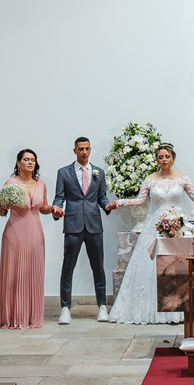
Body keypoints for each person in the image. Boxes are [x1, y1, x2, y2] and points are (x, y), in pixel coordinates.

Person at [106, 144, 194, 324]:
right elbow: (140, 201)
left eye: (166, 156)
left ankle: (179, 309)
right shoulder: (150, 179)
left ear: (172, 158)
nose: (163, 160)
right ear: (157, 160)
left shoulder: (182, 178)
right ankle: (148, 309)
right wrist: (120, 202)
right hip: (154, 227)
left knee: (176, 267)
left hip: (177, 226)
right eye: (160, 157)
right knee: (148, 266)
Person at [0, 149, 63, 330]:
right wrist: (4, 205)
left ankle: (32, 317)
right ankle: (13, 317)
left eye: (33, 160)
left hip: (35, 233)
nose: (30, 162)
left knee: (33, 273)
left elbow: (43, 207)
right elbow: (1, 212)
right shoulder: (10, 183)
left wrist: (54, 209)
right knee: (15, 274)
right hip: (15, 233)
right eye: (26, 159)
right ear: (18, 163)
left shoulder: (41, 183)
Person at [54, 137, 113, 325]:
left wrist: (108, 206)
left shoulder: (99, 172)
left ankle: (102, 306)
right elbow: (59, 197)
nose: (84, 152)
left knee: (99, 268)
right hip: (72, 225)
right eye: (81, 149)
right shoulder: (63, 172)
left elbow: (101, 197)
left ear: (90, 149)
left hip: (94, 225)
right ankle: (65, 308)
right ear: (74, 150)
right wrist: (56, 209)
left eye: (87, 148)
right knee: (68, 268)